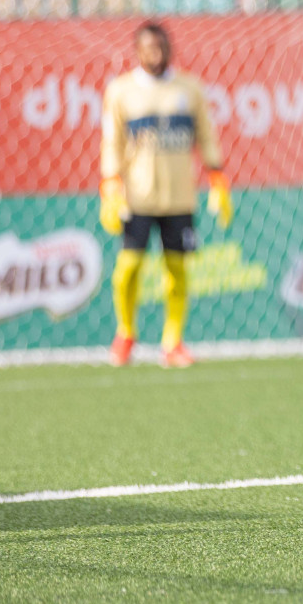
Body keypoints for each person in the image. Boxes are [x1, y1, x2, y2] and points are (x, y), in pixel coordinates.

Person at [100, 22, 233, 369]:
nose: (155, 54)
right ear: (137, 51)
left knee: (176, 268)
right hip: (137, 196)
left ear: (169, 49)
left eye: (160, 47)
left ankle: (173, 342)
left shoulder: (189, 88)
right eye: (148, 48)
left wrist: (217, 177)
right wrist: (110, 185)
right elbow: (111, 141)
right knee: (128, 267)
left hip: (178, 196)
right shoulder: (121, 91)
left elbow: (206, 134)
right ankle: (126, 333)